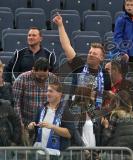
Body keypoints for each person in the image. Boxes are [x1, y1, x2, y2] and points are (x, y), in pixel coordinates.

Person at [53, 14, 111, 147]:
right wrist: (61, 25)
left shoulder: (105, 75)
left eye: (94, 53)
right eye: (90, 52)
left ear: (101, 58)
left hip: (95, 116)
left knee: (94, 148)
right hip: (76, 114)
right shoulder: (79, 66)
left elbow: (107, 97)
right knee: (78, 148)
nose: (91, 54)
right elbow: (66, 46)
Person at [13, 57, 58, 145]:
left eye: (44, 76)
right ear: (33, 70)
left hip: (47, 125)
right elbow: (16, 104)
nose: (42, 78)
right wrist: (20, 125)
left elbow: (57, 102)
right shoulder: (21, 79)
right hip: (26, 125)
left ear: (48, 70)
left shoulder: (54, 79)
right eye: (39, 76)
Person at [28, 82, 74, 157]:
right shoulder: (41, 108)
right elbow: (34, 125)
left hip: (57, 154)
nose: (47, 93)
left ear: (59, 94)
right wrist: (31, 126)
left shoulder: (66, 111)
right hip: (39, 152)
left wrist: (52, 127)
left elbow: (69, 134)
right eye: (47, 91)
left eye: (51, 91)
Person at [101, 90, 133, 159]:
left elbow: (108, 136)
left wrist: (105, 126)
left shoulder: (116, 115)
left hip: (117, 154)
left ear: (117, 102)